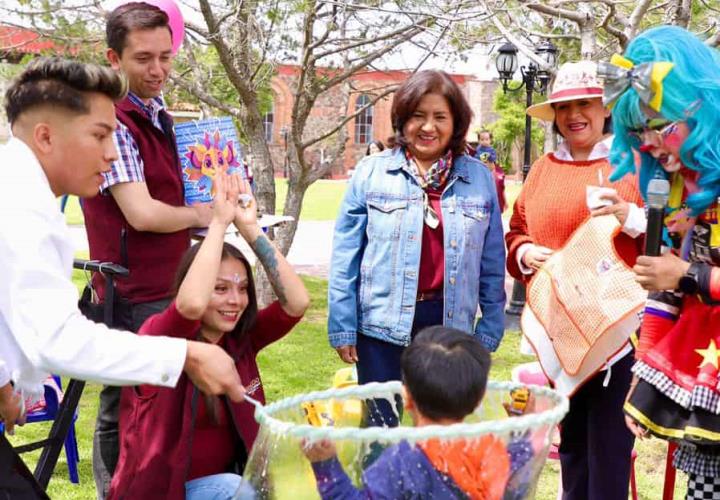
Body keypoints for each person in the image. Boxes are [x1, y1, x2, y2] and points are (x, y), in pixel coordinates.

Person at [0, 57, 244, 497]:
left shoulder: (18, 187)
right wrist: (184, 355)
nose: (112, 153)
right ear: (45, 136)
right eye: (100, 135)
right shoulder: (20, 204)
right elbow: (58, 340)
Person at [108, 172, 309, 499]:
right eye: (220, 288)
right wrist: (217, 224)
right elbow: (189, 305)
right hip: (162, 493)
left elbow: (297, 302)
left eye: (242, 289)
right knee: (235, 490)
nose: (235, 301)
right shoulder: (163, 337)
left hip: (228, 488)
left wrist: (249, 227)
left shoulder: (241, 341)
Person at [82, 4, 214, 493]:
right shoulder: (113, 121)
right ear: (113, 58)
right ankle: (114, 491)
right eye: (143, 59)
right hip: (131, 290)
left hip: (169, 284)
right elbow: (141, 213)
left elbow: (170, 199)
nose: (157, 70)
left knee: (168, 402)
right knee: (125, 404)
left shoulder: (157, 114)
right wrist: (204, 216)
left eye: (166, 56)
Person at [328, 70, 506, 429]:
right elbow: (346, 255)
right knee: (380, 437)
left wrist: (490, 325)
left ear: (456, 122)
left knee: (443, 438)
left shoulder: (479, 178)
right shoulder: (372, 172)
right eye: (417, 116)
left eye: (440, 117)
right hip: (380, 325)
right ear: (402, 118)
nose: (428, 127)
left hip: (449, 326)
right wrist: (343, 325)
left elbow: (491, 260)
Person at [505, 60, 645, 500]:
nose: (574, 115)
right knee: (573, 449)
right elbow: (517, 230)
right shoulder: (543, 168)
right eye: (564, 106)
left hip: (615, 333)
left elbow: (662, 237)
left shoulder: (633, 164)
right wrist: (525, 252)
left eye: (585, 103)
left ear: (605, 108)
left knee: (609, 448)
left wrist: (630, 217)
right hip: (559, 330)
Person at [602, 25, 720, 498]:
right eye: (637, 131)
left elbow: (681, 278)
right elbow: (665, 292)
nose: (649, 143)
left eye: (661, 126)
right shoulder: (685, 197)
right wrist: (643, 369)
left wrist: (688, 274)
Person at [475, 130, 506, 212]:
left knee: (492, 187)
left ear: (490, 140)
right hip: (480, 171)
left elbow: (493, 158)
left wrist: (489, 157)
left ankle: (492, 204)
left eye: (487, 139)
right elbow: (475, 158)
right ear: (479, 140)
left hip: (490, 170)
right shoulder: (478, 149)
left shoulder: (491, 149)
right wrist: (479, 157)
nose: (484, 141)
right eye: (482, 139)